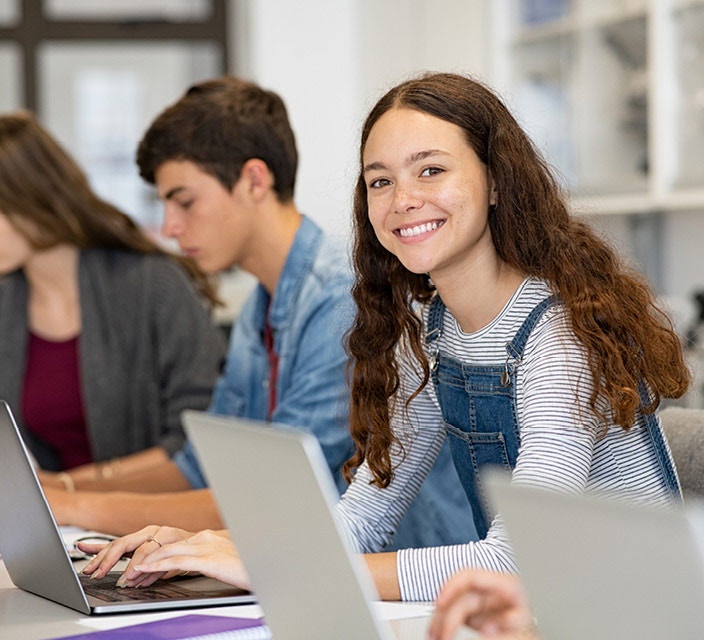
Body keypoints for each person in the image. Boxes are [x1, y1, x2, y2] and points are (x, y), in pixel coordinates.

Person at [79, 71, 689, 604]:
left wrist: (276, 567)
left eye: (431, 170)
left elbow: (517, 559)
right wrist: (209, 547)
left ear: (497, 180)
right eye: (380, 181)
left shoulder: (555, 336)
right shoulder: (430, 330)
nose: (404, 200)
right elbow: (363, 517)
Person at [47, 75, 475, 549]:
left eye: (184, 201)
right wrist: (61, 487)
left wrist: (69, 504)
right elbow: (199, 465)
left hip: (405, 590)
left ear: (254, 180)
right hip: (310, 561)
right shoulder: (261, 306)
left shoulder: (343, 299)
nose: (170, 227)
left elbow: (272, 495)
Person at [0, 110, 226, 491]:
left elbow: (198, 439)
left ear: (29, 199)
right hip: (64, 527)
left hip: (155, 524)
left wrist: (67, 488)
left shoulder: (151, 285)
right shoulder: (7, 302)